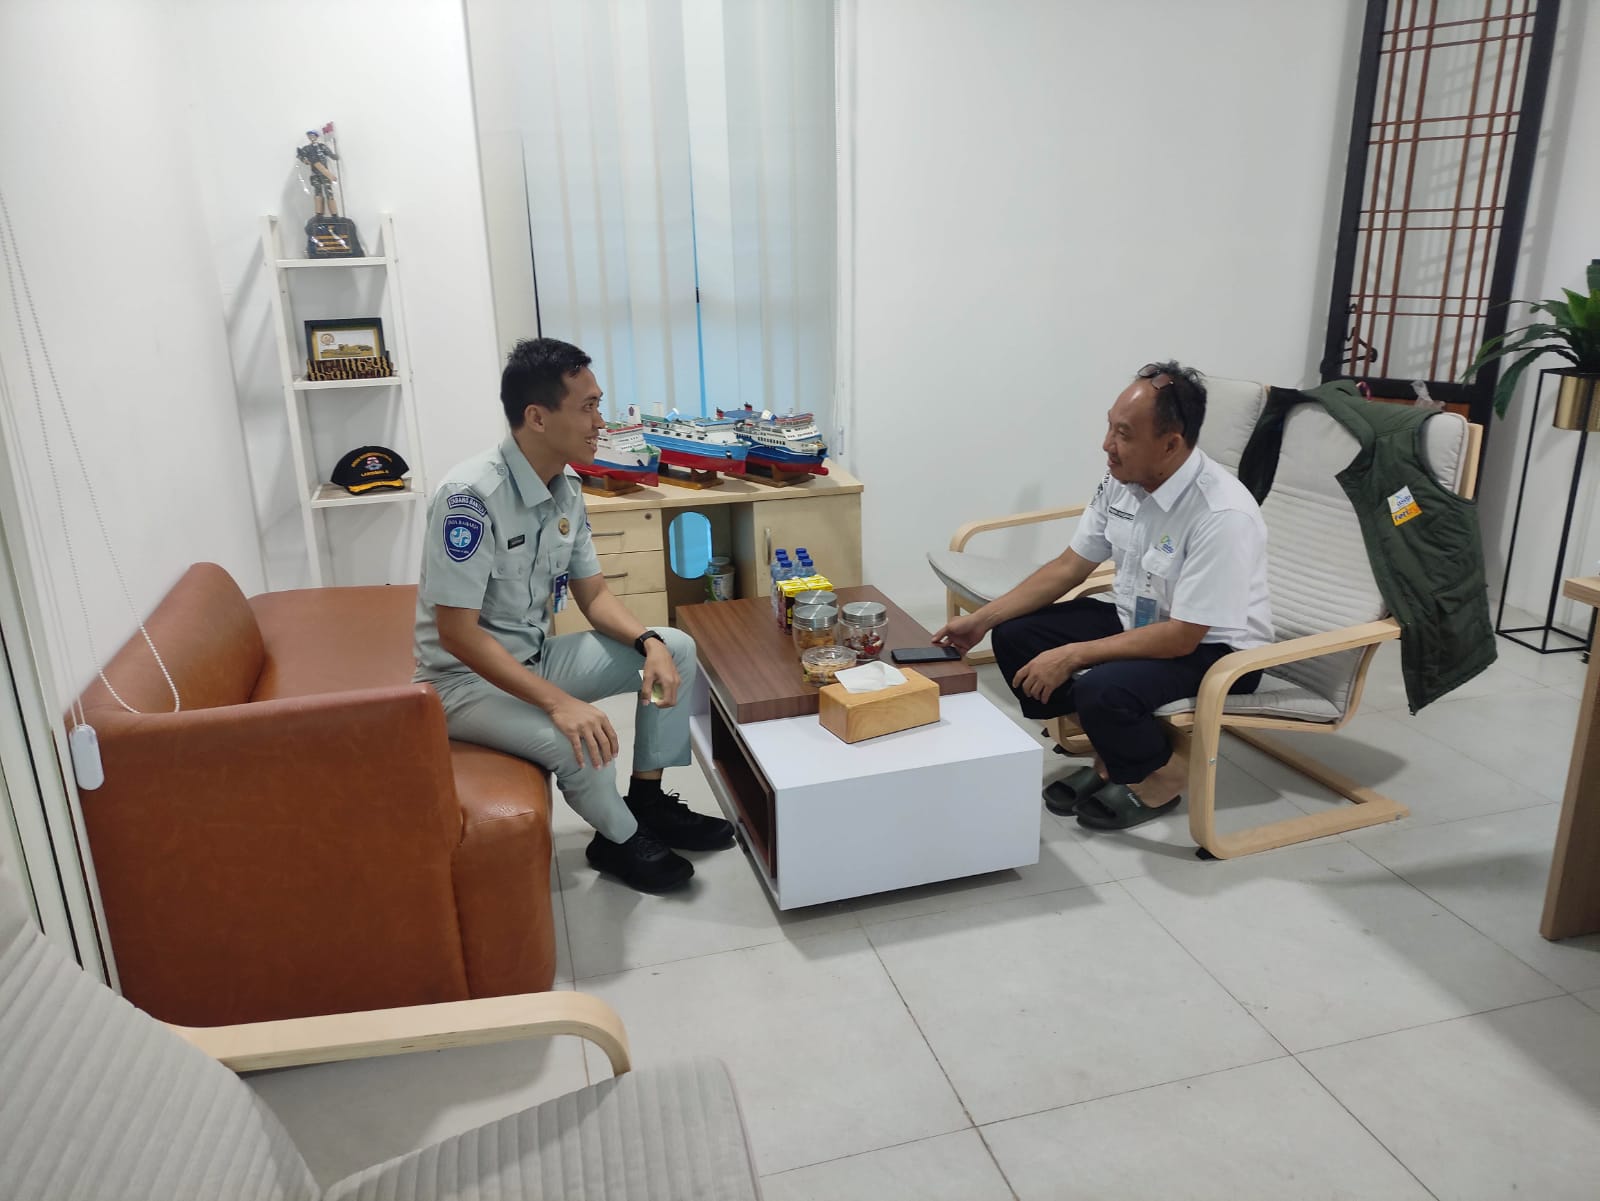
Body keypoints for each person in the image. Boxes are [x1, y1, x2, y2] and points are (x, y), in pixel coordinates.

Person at [413, 337, 734, 892]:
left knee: (675, 647)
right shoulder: (469, 496)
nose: (600, 422)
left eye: (598, 405)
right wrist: (559, 703)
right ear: (537, 417)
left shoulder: (566, 488)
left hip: (532, 660)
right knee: (577, 738)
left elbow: (595, 596)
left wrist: (649, 643)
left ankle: (648, 800)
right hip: (461, 685)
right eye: (587, 407)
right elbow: (456, 634)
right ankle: (619, 839)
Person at [932, 362, 1273, 831]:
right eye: (1110, 426)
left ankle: (1163, 775)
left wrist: (1072, 655)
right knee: (1015, 637)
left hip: (1217, 650)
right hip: (1140, 619)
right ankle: (1115, 755)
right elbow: (1070, 566)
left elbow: (1182, 637)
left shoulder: (1221, 514)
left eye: (1124, 434)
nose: (1107, 444)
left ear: (1170, 444)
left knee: (1101, 687)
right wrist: (982, 621)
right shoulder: (1123, 480)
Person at [296, 130, 340, 217]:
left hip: (325, 173)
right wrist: (304, 160)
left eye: (313, 136)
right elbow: (301, 156)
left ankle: (334, 214)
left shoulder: (322, 146)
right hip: (315, 174)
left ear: (316, 137)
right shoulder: (307, 148)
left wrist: (334, 156)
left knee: (329, 192)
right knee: (318, 192)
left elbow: (330, 154)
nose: (311, 137)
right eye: (309, 136)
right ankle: (319, 213)